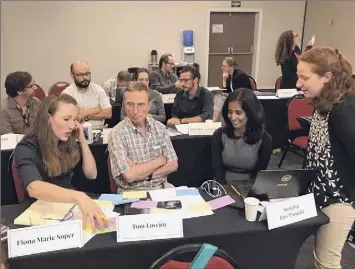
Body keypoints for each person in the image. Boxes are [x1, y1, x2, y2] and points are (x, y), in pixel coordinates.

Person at [297, 46, 355, 269]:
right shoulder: (322, 105)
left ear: (327, 77)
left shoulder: (344, 108)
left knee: (327, 262)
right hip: (317, 193)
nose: (299, 83)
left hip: (339, 197)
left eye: (305, 78)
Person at [13, 94, 106, 230]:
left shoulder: (66, 143)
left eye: (75, 119)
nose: (72, 125)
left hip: (68, 209)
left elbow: (92, 174)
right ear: (48, 119)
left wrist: (82, 141)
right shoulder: (26, 148)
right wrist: (79, 197)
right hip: (42, 215)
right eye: (66, 119)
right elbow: (34, 187)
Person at [108, 82, 178, 192]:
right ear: (124, 105)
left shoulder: (160, 128)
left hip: (161, 188)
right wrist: (159, 161)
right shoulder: (117, 133)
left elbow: (173, 165)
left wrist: (139, 171)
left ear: (149, 105)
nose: (135, 111)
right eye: (130, 104)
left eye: (141, 105)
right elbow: (129, 176)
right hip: (131, 192)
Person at [211, 88, 272, 187]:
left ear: (250, 114)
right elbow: (218, 171)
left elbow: (258, 175)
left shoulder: (265, 140)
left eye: (238, 113)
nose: (233, 117)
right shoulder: (219, 135)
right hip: (222, 185)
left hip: (250, 186)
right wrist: (225, 191)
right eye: (230, 112)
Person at [62, 60, 112, 129]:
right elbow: (75, 117)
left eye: (87, 74)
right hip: (76, 131)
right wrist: (97, 109)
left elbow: (108, 114)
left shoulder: (98, 90)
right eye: (81, 75)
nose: (85, 77)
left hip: (99, 129)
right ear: (72, 76)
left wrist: (84, 114)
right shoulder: (67, 94)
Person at [213, 57, 252, 121]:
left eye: (224, 66)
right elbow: (226, 90)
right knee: (217, 96)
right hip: (234, 96)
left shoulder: (240, 76)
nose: (222, 68)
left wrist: (227, 94)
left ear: (231, 67)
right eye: (222, 66)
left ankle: (215, 119)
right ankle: (217, 120)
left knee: (219, 98)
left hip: (242, 98)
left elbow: (240, 92)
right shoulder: (229, 76)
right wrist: (224, 79)